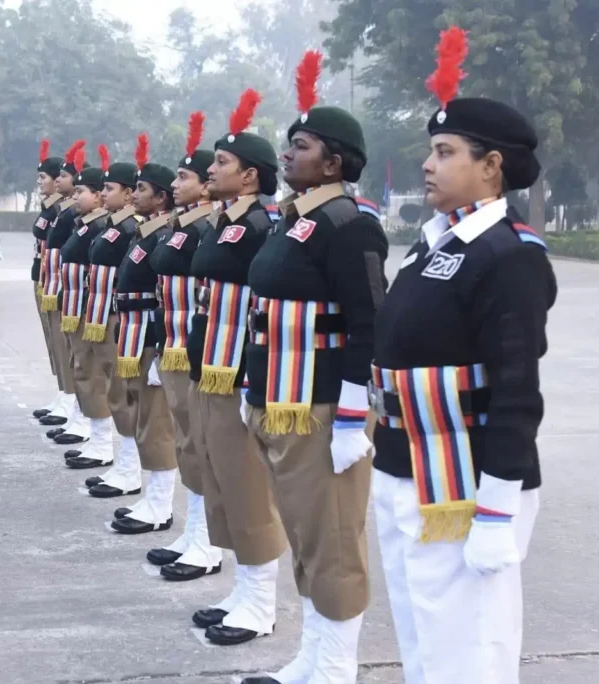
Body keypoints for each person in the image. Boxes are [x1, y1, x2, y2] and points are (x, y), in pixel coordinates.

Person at [369, 28, 557, 684]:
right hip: (406, 464)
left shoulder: (507, 255)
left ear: (491, 165)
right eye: (430, 150)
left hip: (465, 479)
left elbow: (515, 390)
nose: (428, 163)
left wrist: (499, 509)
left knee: (470, 648)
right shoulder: (437, 243)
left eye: (445, 151)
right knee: (424, 634)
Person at [241, 52, 389, 684]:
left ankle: (335, 667)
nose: (287, 153)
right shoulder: (291, 221)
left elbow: (368, 325)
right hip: (278, 400)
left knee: (333, 541)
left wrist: (353, 419)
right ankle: (311, 656)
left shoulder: (349, 224)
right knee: (306, 534)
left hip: (322, 408)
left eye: (299, 146)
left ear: (333, 161)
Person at [188, 89, 287, 647]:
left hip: (237, 368)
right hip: (210, 363)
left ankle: (261, 600)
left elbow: (262, 308)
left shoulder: (260, 227)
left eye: (222, 163)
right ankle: (242, 587)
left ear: (250, 176)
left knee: (248, 486)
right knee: (220, 477)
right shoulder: (225, 221)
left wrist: (254, 376)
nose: (211, 169)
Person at [146, 112, 222, 582]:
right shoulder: (183, 224)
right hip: (174, 344)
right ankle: (194, 531)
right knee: (188, 444)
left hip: (196, 349)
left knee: (201, 448)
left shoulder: (205, 227)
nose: (176, 183)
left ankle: (207, 543)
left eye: (185, 176)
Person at [106, 134, 178, 535]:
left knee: (156, 422)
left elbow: (168, 295)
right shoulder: (145, 233)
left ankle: (160, 504)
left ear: (162, 198)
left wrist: (163, 346)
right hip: (133, 333)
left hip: (150, 334)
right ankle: (147, 492)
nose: (135, 195)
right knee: (139, 414)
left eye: (142, 190)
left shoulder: (164, 235)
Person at [80, 156, 144, 498]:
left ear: (130, 193)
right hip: (101, 314)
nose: (103, 194)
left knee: (123, 395)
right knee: (112, 389)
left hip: (118, 317)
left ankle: (129, 468)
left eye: (109, 188)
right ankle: (120, 461)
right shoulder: (114, 226)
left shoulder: (131, 228)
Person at [56, 146, 115, 466]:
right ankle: (92, 434)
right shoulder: (84, 223)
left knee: (94, 373)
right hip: (77, 304)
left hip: (94, 309)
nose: (76, 196)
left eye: (82, 191)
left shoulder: (103, 226)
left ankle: (102, 443)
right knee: (82, 369)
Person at [38, 141, 89, 440]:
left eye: (62, 177)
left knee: (77, 355)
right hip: (55, 281)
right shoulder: (61, 209)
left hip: (71, 289)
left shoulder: (71, 214)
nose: (57, 181)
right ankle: (66, 397)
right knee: (59, 347)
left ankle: (74, 405)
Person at [30, 141, 67, 420]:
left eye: (44, 177)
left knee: (62, 343)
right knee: (52, 341)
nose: (39, 182)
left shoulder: (60, 212)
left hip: (56, 282)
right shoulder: (49, 209)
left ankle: (70, 397)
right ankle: (63, 391)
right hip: (42, 278)